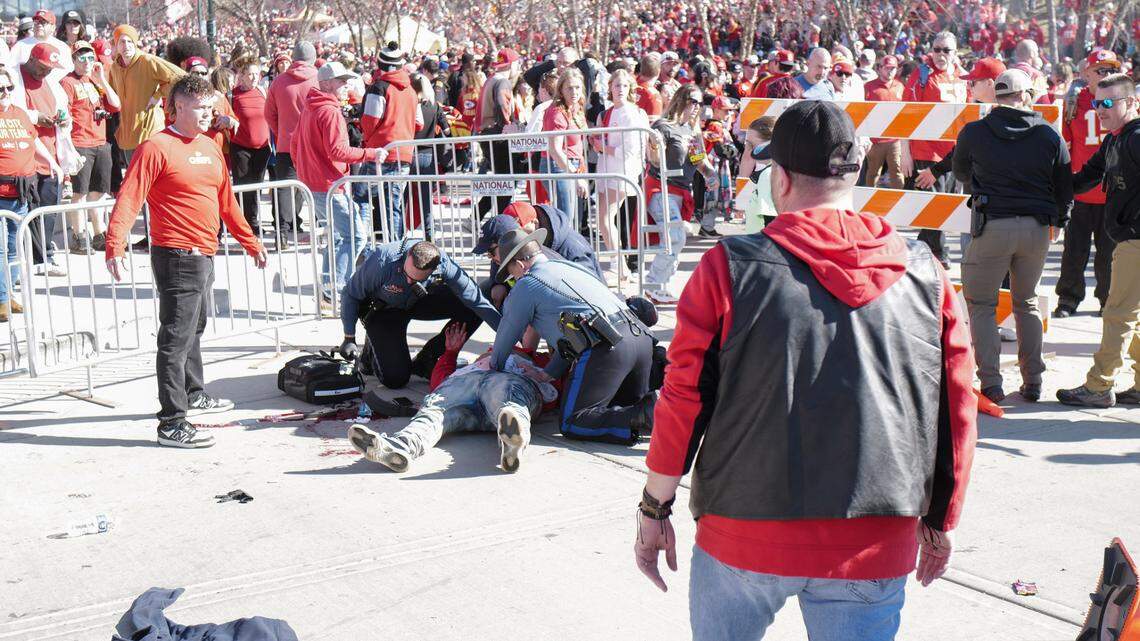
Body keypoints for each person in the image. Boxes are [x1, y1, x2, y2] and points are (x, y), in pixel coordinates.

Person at [634, 100, 977, 641]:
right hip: (873, 540)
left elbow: (683, 399)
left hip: (744, 530)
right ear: (857, 171)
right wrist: (941, 519)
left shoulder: (726, 266)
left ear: (783, 177)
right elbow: (957, 407)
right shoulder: (926, 272)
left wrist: (656, 506)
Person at [103, 74, 266, 449]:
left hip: (205, 253)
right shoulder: (156, 147)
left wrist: (251, 242)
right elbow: (130, 197)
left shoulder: (210, 148)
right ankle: (172, 422)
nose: (209, 114)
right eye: (200, 107)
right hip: (176, 254)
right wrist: (116, 244)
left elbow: (226, 202)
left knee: (195, 327)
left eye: (212, 106)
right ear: (178, 107)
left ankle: (193, 392)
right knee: (175, 338)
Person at [953, 69, 1073, 404]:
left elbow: (961, 172)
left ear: (998, 95)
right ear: (1027, 95)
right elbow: (1065, 187)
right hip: (1036, 229)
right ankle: (1032, 380)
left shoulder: (974, 132)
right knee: (1027, 302)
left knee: (982, 306)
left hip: (993, 225)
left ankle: (991, 383)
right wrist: (1059, 222)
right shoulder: (1049, 136)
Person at [491, 228, 655, 444]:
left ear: (520, 265)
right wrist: (548, 373)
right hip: (640, 339)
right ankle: (655, 410)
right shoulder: (567, 267)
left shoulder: (527, 284)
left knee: (574, 421)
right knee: (626, 407)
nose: (514, 279)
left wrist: (494, 366)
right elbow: (575, 336)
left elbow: (507, 333)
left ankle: (647, 413)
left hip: (608, 347)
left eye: (512, 274)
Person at [347, 324, 554, 473]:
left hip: (507, 381)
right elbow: (438, 383)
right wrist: (450, 353)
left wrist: (541, 375)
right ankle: (399, 447)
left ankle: (513, 438)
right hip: (465, 383)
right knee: (433, 411)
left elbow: (557, 392)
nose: (521, 327)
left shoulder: (544, 361)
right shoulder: (490, 351)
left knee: (508, 400)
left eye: (530, 325)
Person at [1058, 74, 1140, 408]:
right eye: (1096, 103)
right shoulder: (1113, 141)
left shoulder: (1135, 139)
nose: (1100, 110)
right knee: (1130, 315)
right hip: (1128, 238)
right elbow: (1082, 179)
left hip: (1135, 239)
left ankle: (1099, 385)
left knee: (1117, 312)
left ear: (1131, 102)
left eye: (1108, 103)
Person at [339, 240, 501, 388]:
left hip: (419, 301)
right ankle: (370, 352)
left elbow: (476, 300)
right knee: (395, 379)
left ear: (434, 269)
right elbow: (350, 294)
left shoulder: (443, 263)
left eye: (415, 278)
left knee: (474, 304)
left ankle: (427, 359)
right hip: (385, 311)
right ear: (407, 256)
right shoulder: (383, 260)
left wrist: (508, 335)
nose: (408, 281)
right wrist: (349, 337)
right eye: (406, 275)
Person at [291, 61, 383, 301]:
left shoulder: (311, 107)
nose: (346, 85)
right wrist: (370, 153)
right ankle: (337, 290)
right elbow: (338, 151)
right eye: (342, 81)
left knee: (339, 236)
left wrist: (305, 168)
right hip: (328, 184)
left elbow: (294, 145)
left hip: (317, 182)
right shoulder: (328, 110)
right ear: (327, 83)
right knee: (354, 236)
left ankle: (330, 289)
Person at [1054, 50, 1121, 318]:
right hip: (1081, 192)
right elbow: (1064, 148)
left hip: (1113, 193)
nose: (1106, 75)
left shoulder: (1123, 101)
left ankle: (1107, 300)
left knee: (1109, 255)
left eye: (1110, 70)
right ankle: (1068, 299)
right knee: (1074, 252)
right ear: (1086, 74)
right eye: (1100, 71)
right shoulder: (1074, 103)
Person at [643, 85, 715, 304]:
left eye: (700, 104)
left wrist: (710, 175)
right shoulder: (664, 127)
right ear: (681, 100)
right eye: (693, 101)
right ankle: (653, 284)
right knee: (675, 236)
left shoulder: (692, 131)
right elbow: (654, 161)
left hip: (681, 193)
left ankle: (661, 286)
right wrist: (655, 148)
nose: (697, 108)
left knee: (675, 239)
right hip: (660, 189)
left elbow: (700, 162)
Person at [902, 31, 966, 267]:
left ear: (955, 53)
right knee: (933, 209)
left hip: (954, 154)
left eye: (946, 50)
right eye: (936, 49)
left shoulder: (962, 77)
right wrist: (905, 152)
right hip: (925, 152)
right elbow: (904, 113)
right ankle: (940, 257)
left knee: (944, 207)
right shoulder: (922, 74)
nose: (940, 54)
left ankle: (919, 254)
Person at [0, 68, 58, 322]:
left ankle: (8, 294)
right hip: (1, 193)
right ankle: (2, 299)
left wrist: (52, 163)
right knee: (2, 249)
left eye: (8, 88)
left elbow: (33, 142)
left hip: (22, 192)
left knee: (14, 248)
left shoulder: (19, 113)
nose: (4, 93)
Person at [12, 42, 71, 276]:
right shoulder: (13, 80)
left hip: (51, 153)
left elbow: (64, 109)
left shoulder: (52, 83)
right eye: (45, 67)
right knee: (30, 212)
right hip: (27, 157)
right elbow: (9, 109)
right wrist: (35, 116)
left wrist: (65, 120)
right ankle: (34, 258)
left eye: (51, 68)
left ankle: (45, 253)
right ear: (34, 59)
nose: (48, 71)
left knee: (48, 211)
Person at [61, 39, 120, 254]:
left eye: (90, 57)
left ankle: (98, 233)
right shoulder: (67, 82)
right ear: (74, 59)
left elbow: (116, 104)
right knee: (80, 193)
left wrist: (102, 78)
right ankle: (79, 235)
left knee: (99, 191)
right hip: (80, 143)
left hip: (100, 142)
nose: (86, 62)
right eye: (81, 57)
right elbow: (64, 113)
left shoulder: (95, 81)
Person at [362, 45, 419, 239]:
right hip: (404, 154)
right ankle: (396, 247)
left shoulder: (378, 87)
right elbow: (419, 122)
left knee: (361, 196)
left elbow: (370, 120)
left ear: (380, 64)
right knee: (393, 204)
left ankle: (359, 240)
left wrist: (367, 138)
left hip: (380, 152)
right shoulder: (411, 90)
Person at [595, 69, 648, 273]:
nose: (620, 89)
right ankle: (619, 264)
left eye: (625, 86)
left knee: (607, 217)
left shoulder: (632, 113)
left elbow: (631, 151)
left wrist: (604, 148)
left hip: (622, 172)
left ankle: (620, 265)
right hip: (605, 170)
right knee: (603, 219)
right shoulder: (607, 112)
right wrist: (597, 144)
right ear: (610, 87)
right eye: (617, 85)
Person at [265, 41, 318, 240]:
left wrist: (281, 132)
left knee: (285, 189)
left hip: (286, 143)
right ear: (312, 59)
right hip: (314, 145)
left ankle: (283, 233)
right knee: (314, 188)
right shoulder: (319, 79)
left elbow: (268, 114)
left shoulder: (278, 82)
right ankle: (319, 230)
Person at [228, 58, 271, 235]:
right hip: (241, 146)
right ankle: (242, 224)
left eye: (257, 74)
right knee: (243, 186)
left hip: (262, 147)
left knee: (256, 186)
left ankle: (252, 222)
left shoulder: (263, 92)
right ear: (241, 76)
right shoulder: (232, 95)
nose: (254, 78)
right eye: (250, 74)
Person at [541, 68, 588, 225]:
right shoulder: (556, 111)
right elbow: (555, 150)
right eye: (569, 88)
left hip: (574, 165)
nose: (574, 92)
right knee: (565, 218)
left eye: (577, 87)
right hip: (558, 166)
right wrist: (576, 177)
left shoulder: (576, 108)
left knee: (574, 219)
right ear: (561, 89)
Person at [409, 73, 450, 241]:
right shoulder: (435, 106)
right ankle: (430, 237)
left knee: (402, 200)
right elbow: (447, 130)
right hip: (427, 154)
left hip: (408, 153)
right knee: (426, 201)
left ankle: (398, 237)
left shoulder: (410, 106)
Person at [862, 54, 905, 189]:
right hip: (876, 140)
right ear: (880, 68)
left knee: (897, 173)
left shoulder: (900, 86)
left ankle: (899, 202)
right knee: (873, 173)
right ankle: (868, 203)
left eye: (893, 68)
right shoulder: (869, 87)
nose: (890, 71)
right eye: (887, 68)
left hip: (895, 139)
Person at [9, 10, 72, 81]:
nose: (39, 24)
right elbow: (11, 69)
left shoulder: (62, 47)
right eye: (36, 21)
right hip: (28, 88)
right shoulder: (20, 45)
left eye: (43, 22)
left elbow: (68, 71)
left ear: (53, 27)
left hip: (54, 88)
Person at [634, 54, 663, 122]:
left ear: (641, 69)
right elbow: (654, 123)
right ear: (658, 72)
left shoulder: (627, 86)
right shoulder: (653, 95)